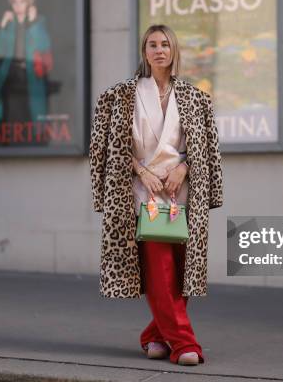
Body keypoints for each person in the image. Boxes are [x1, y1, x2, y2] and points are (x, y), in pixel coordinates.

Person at [88, 24, 223, 366]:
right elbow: (106, 147)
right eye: (152, 44)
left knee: (180, 274)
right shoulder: (120, 96)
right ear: (144, 51)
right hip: (141, 193)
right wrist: (141, 170)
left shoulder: (195, 97)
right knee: (159, 269)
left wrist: (184, 168)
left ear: (174, 50)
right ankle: (183, 344)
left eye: (165, 44)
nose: (159, 49)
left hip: (183, 193)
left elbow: (206, 148)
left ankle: (154, 335)